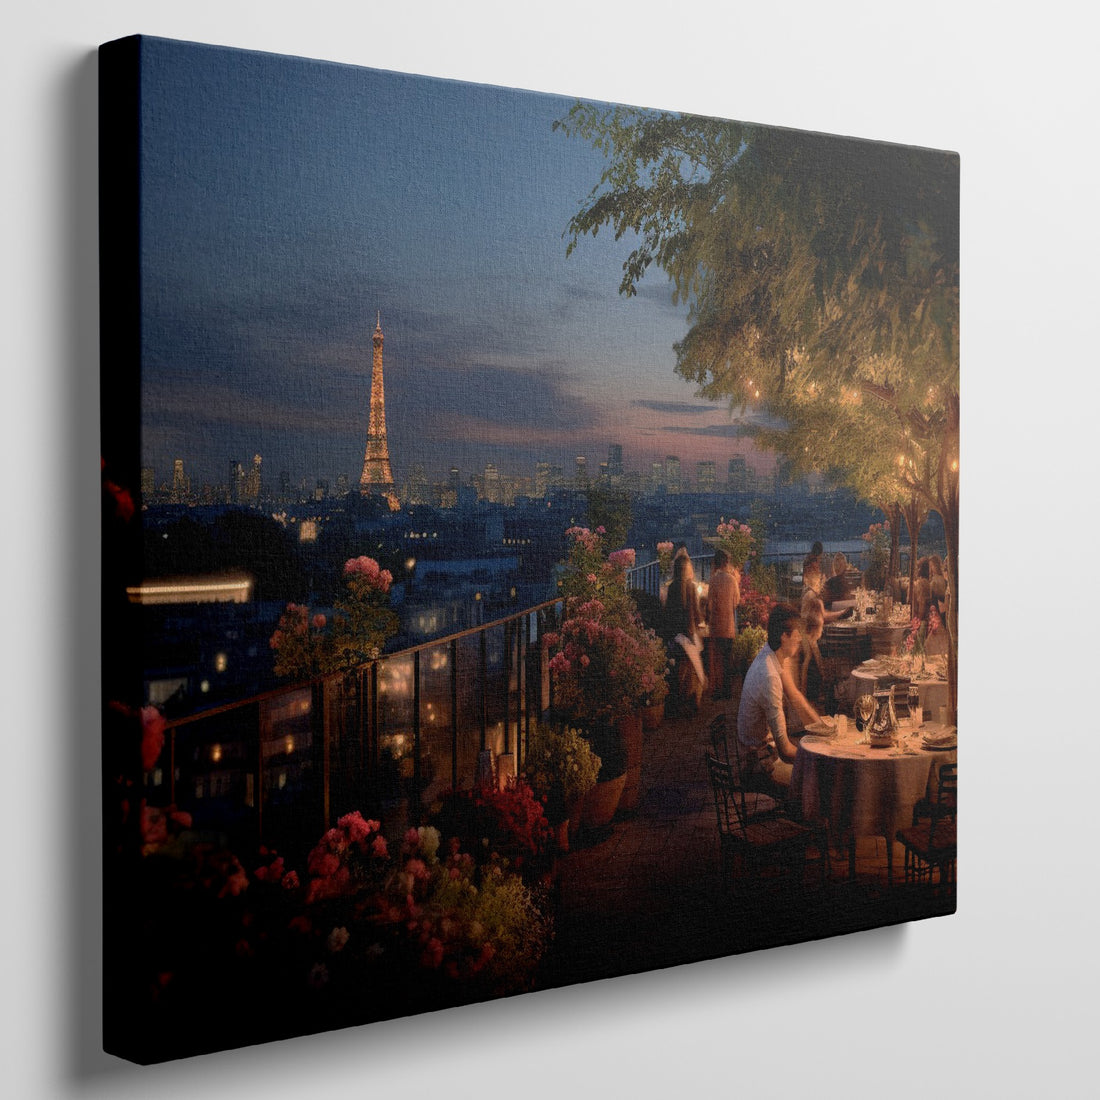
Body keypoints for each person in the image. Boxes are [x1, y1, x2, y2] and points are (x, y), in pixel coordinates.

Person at [736, 603, 803, 795]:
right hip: (758, 769)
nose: (799, 638)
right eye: (797, 632)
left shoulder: (768, 656)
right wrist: (816, 758)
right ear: (784, 636)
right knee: (817, 780)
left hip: (758, 755)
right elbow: (785, 750)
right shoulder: (769, 676)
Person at [663, 549, 705, 714]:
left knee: (680, 668)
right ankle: (693, 700)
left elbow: (668, 612)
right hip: (688, 633)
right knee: (694, 668)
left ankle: (680, 700)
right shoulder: (691, 587)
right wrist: (696, 628)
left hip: (676, 634)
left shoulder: (672, 587)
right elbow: (693, 612)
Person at [705, 547, 740, 699]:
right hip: (729, 627)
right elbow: (736, 602)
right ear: (727, 563)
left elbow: (710, 605)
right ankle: (727, 691)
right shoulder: (732, 580)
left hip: (716, 626)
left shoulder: (713, 580)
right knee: (727, 659)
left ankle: (717, 691)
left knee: (716, 661)